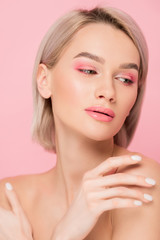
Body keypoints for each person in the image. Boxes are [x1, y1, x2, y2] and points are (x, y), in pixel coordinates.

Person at [0, 6, 160, 240]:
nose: (108, 91)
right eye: (88, 70)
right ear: (44, 80)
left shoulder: (140, 183)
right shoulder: (8, 198)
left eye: (125, 79)